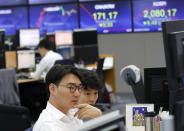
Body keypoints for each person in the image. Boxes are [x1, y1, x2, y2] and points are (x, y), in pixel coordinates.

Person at [33, 65, 84, 131]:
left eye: (79, 88)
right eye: (71, 88)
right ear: (52, 89)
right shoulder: (48, 126)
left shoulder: (72, 112)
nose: (77, 94)